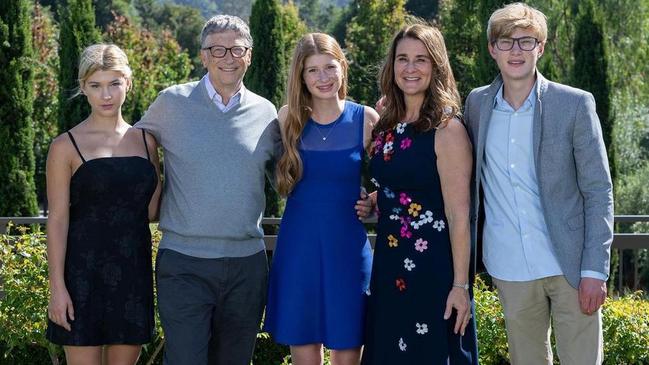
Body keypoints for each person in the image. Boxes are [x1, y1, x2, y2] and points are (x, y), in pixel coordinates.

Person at [463, 3, 614, 364]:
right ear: (492, 49)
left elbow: (599, 190)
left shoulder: (574, 104)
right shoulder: (476, 105)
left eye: (526, 41)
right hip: (509, 266)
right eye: (506, 41)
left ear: (541, 48)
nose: (516, 50)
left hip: (572, 266)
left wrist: (595, 269)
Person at [134, 15, 279, 365]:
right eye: (217, 49)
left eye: (237, 49)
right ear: (203, 56)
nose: (227, 56)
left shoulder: (267, 112)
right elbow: (131, 145)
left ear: (250, 55)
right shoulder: (171, 103)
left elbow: (288, 178)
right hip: (183, 263)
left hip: (247, 265)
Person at [361, 23, 478, 364]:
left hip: (432, 271)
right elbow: (397, 186)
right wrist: (375, 198)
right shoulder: (387, 123)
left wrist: (460, 287)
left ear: (436, 66)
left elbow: (459, 216)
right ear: (392, 65)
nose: (410, 68)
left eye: (421, 60)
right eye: (402, 59)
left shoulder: (447, 128)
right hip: (388, 266)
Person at [264, 33, 379, 365]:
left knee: (347, 350)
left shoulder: (366, 119)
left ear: (342, 67)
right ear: (301, 76)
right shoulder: (288, 119)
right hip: (299, 247)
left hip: (347, 249)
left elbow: (396, 178)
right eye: (312, 70)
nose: (323, 78)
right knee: (304, 351)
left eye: (330, 67)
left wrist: (372, 200)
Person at [46, 44, 162, 365]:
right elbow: (57, 220)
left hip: (132, 274)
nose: (106, 95)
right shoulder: (64, 146)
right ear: (84, 88)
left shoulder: (146, 142)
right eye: (96, 85)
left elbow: (151, 210)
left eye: (114, 83)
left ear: (128, 83)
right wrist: (58, 288)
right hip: (80, 277)